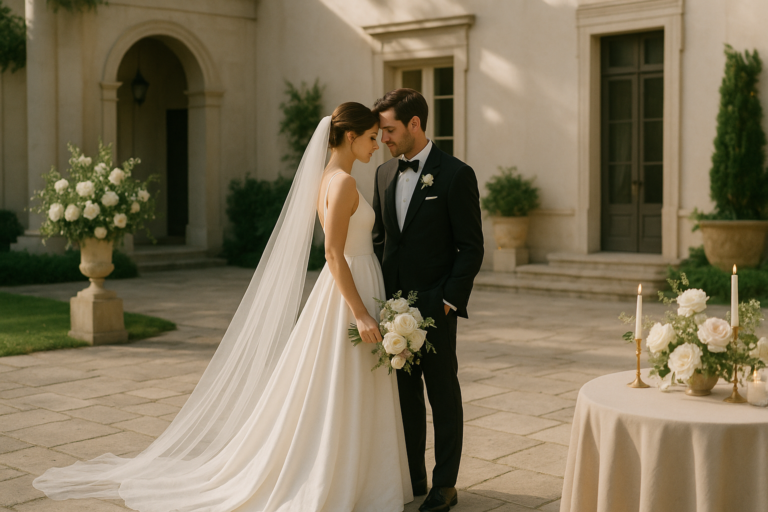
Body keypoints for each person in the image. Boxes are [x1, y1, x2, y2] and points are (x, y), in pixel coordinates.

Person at [32, 103, 413, 512]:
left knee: (346, 385)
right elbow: (333, 254)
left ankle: (360, 477)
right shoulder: (342, 184)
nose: (376, 145)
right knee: (342, 385)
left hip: (354, 285)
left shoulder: (331, 178)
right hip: (348, 292)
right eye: (371, 137)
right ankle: (342, 478)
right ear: (350, 136)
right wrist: (359, 312)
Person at [371, 89, 484, 512]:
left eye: (389, 130)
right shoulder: (383, 173)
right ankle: (413, 475)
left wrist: (448, 301)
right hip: (393, 311)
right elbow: (381, 241)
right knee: (404, 398)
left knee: (443, 396)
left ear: (415, 124)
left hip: (436, 309)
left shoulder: (456, 174)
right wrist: (380, 302)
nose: (384, 138)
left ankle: (445, 484)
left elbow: (471, 247)